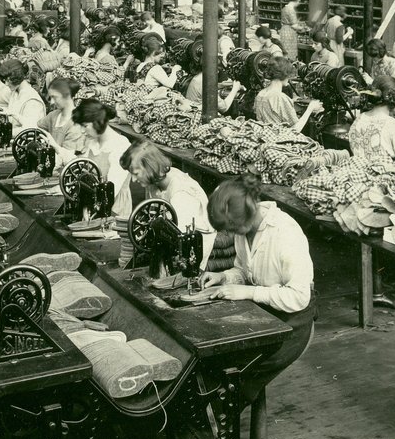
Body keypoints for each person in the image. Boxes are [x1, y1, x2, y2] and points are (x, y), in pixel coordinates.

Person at [199, 174, 315, 407]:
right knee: (218, 359)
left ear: (248, 215)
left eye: (232, 229)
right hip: (264, 311)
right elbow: (243, 270)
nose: (230, 235)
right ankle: (210, 417)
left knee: (240, 373)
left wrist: (249, 292)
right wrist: (224, 276)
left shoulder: (285, 233)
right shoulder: (245, 230)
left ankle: (220, 419)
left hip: (294, 319)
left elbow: (299, 297)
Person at [121, 141, 216, 270]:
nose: (133, 180)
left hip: (196, 247)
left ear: (150, 167)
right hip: (171, 242)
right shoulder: (153, 183)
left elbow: (181, 237)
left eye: (136, 173)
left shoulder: (181, 192)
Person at [70, 98, 133, 218]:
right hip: (92, 206)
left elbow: (110, 192)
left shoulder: (121, 146)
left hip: (115, 213)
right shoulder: (93, 142)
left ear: (98, 122)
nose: (82, 131)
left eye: (85, 126)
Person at [253, 56, 322, 132]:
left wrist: (290, 101)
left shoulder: (260, 94)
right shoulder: (281, 98)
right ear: (284, 75)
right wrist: (310, 108)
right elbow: (295, 130)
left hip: (265, 138)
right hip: (279, 141)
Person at [41, 77, 88, 154]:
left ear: (67, 96)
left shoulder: (76, 125)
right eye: (51, 97)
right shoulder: (53, 115)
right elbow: (36, 129)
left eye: (55, 97)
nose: (52, 102)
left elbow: (67, 158)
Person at [0, 57, 46, 131]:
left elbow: (32, 128)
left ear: (16, 78)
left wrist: (3, 132)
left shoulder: (32, 100)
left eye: (8, 80)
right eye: (5, 80)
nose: (6, 84)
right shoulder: (15, 92)